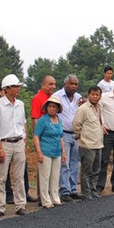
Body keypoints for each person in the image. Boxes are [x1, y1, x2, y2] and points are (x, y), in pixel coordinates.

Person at [0, 74, 28, 218]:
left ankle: (20, 204)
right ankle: (0, 206)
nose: (18, 89)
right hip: (4, 143)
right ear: (7, 89)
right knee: (1, 176)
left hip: (18, 142)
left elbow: (22, 122)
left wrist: (23, 137)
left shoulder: (20, 104)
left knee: (19, 176)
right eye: (15, 86)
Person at [33, 95, 66, 208]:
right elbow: (36, 136)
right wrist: (39, 152)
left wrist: (63, 151)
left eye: (54, 107)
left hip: (56, 152)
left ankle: (55, 198)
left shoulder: (59, 120)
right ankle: (45, 201)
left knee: (55, 176)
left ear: (57, 109)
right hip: (46, 151)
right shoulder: (43, 120)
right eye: (50, 106)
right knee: (45, 177)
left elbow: (61, 136)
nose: (52, 108)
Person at [55, 74, 83, 202]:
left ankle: (73, 190)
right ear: (65, 84)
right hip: (64, 134)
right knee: (64, 163)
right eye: (71, 84)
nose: (74, 86)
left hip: (76, 134)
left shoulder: (79, 98)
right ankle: (64, 190)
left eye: (76, 84)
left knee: (75, 163)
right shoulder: (57, 97)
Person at [73, 85, 104, 200]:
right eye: (93, 94)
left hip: (98, 144)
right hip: (87, 145)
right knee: (87, 170)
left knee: (96, 169)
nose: (95, 97)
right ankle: (86, 193)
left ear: (100, 96)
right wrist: (82, 136)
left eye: (97, 95)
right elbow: (76, 124)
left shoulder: (100, 107)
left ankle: (93, 190)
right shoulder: (83, 109)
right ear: (88, 95)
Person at [29, 74, 56, 205]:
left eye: (54, 84)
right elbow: (35, 118)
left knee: (53, 170)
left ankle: (51, 195)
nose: (53, 87)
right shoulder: (38, 98)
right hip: (43, 139)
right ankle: (41, 196)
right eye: (50, 84)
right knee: (43, 170)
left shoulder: (53, 98)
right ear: (43, 85)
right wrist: (37, 140)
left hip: (54, 140)